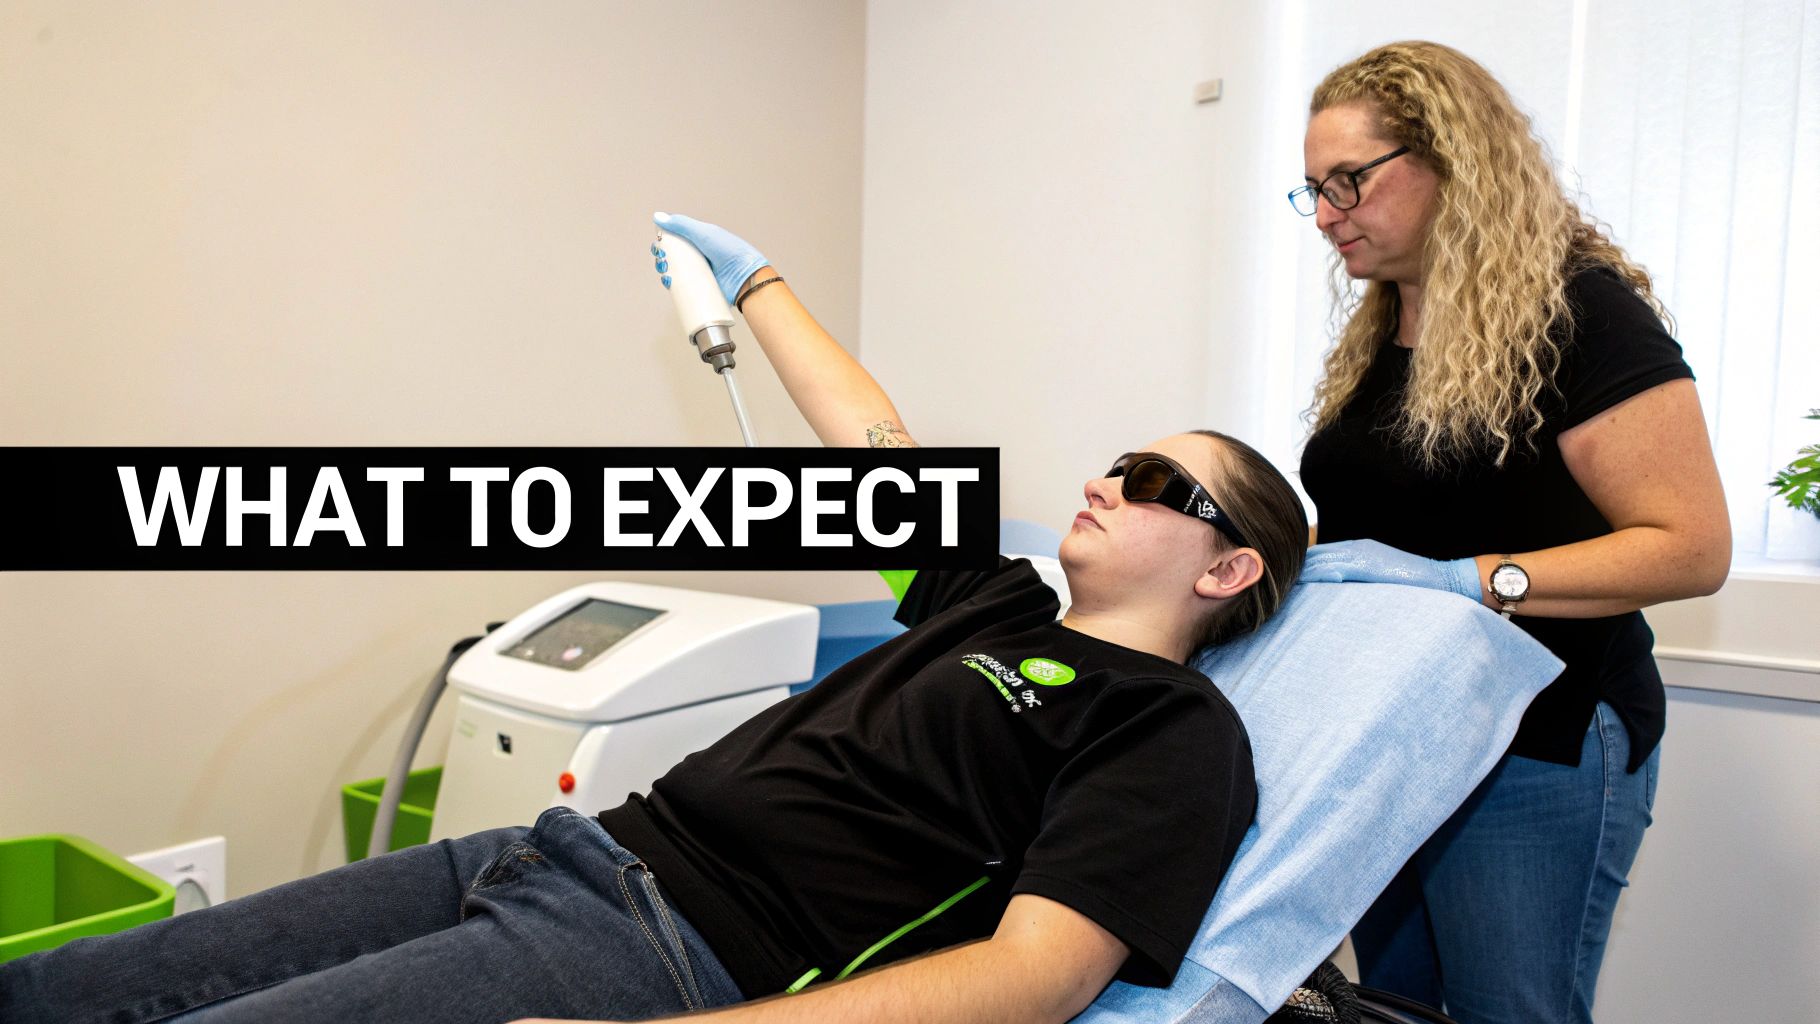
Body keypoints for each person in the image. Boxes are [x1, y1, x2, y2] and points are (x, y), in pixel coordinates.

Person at [0, 214, 1309, 1024]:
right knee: (70, 988)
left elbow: (1031, 981)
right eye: (1114, 458)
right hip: (551, 853)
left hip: (667, 951)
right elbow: (873, 445)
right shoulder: (995, 598)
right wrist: (760, 284)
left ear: (1229, 569)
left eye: (1154, 483)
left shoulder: (1167, 730)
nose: (1102, 480)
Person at [1289, 41, 1730, 1023]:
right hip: (1400, 734)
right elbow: (1389, 517)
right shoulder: (1382, 328)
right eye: (1311, 191)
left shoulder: (1582, 315)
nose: (1325, 217)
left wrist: (1465, 582)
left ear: (1450, 160)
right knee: (1397, 1007)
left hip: (1540, 736)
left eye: (1348, 183)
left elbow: (1688, 544)